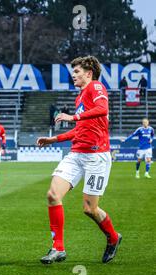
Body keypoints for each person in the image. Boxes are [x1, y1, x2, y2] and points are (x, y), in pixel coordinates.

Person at [36, 55, 122, 264]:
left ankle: (113, 237)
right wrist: (53, 139)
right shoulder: (81, 96)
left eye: (77, 72)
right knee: (53, 195)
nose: (73, 75)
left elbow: (103, 110)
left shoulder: (96, 87)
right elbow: (80, 131)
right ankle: (58, 248)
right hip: (76, 155)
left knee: (89, 208)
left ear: (89, 73)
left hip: (97, 157)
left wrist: (72, 117)